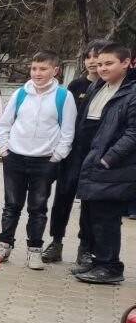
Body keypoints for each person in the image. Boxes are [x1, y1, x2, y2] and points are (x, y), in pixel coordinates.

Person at [0, 51, 77, 269]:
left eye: (43, 69)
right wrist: (4, 149)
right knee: (11, 205)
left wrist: (56, 156)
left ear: (55, 70)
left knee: (38, 207)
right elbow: (3, 124)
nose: (37, 73)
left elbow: (67, 132)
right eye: (34, 68)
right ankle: (4, 244)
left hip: (44, 161)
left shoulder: (63, 97)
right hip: (16, 158)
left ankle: (34, 250)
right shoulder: (21, 94)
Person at [73, 43, 135, 285]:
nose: (102, 68)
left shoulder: (131, 93)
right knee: (92, 215)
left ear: (126, 63)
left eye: (109, 63)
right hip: (92, 163)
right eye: (100, 64)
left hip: (114, 168)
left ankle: (110, 266)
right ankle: (98, 263)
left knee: (107, 218)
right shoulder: (99, 88)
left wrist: (109, 158)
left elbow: (133, 133)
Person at [46, 40, 109, 265]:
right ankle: (56, 241)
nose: (93, 62)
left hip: (95, 152)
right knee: (63, 195)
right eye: (89, 57)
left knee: (89, 201)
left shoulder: (110, 87)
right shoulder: (75, 86)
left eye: (97, 57)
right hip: (72, 151)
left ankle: (85, 247)